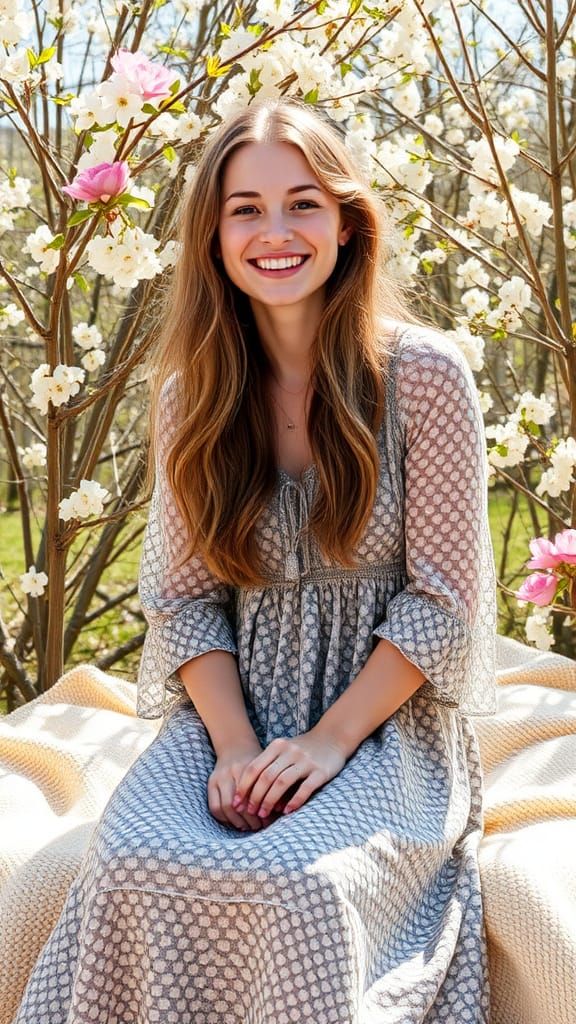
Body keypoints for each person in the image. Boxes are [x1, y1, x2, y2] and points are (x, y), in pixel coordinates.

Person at [13, 96, 498, 1023]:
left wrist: (325, 743)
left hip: (386, 722)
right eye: (246, 209)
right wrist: (234, 750)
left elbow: (442, 606)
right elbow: (185, 602)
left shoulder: (426, 377)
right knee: (131, 862)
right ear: (213, 236)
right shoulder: (191, 397)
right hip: (234, 707)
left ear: (349, 224)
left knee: (302, 887)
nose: (276, 232)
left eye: (304, 203)